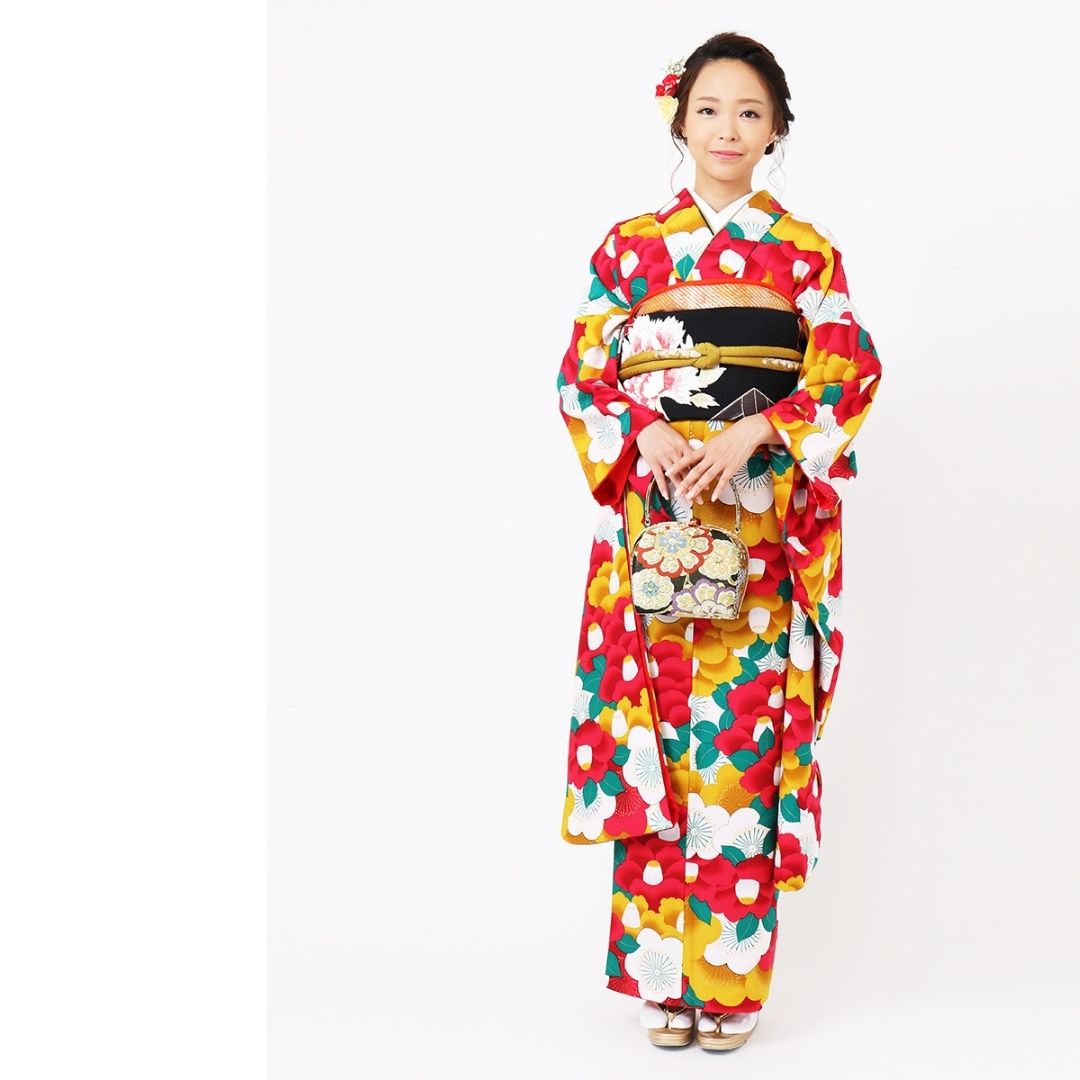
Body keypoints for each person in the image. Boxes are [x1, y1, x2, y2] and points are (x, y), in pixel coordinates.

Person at [555, 32, 882, 1051]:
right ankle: (662, 974)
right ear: (679, 118)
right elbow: (584, 372)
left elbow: (847, 374)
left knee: (740, 743)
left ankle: (729, 981)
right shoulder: (630, 248)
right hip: (656, 520)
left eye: (749, 111)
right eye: (709, 109)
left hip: (758, 523)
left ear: (776, 128)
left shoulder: (806, 253)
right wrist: (641, 427)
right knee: (655, 739)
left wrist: (760, 428)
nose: (727, 129)